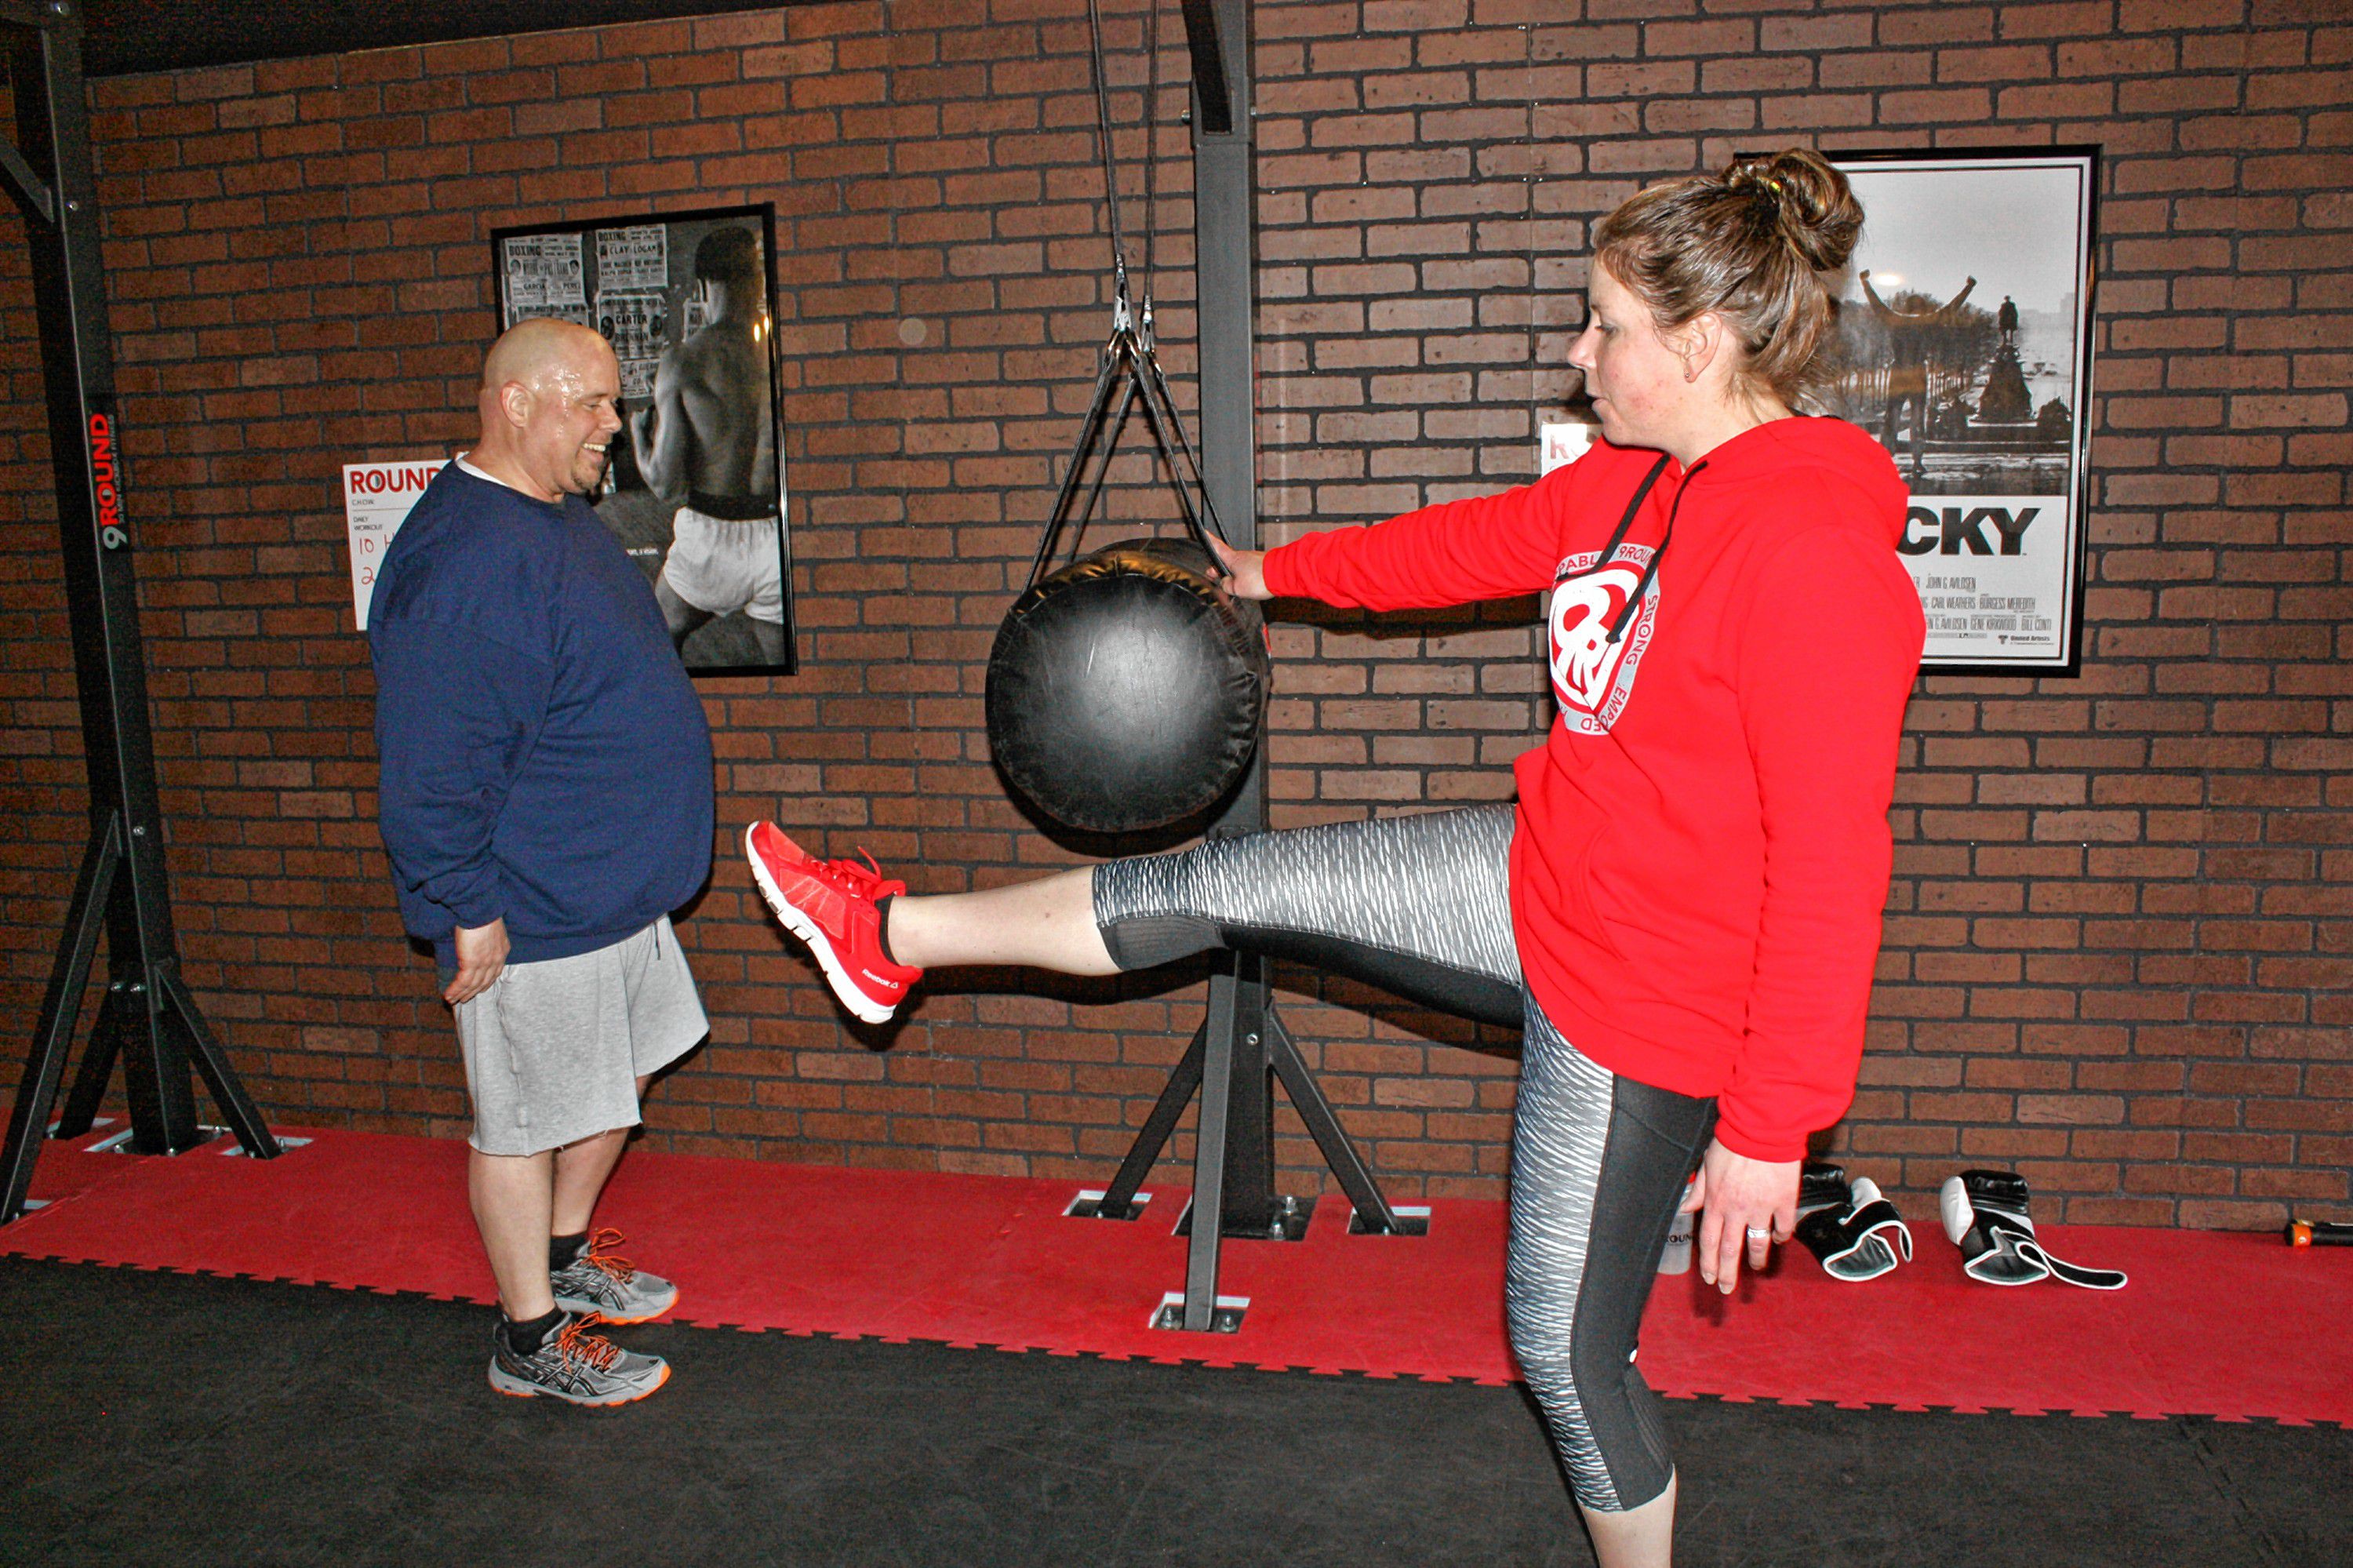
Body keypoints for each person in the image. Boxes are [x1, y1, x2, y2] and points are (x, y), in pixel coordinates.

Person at [747, 147, 1924, 1566]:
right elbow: (1462, 546)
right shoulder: (1632, 487)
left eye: (1606, 325)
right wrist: (1272, 571)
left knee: (1564, 1351)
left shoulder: (1808, 546)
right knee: (1220, 885)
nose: (1579, 350)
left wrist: (1769, 1126)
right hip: (1533, 874)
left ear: (1704, 342)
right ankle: (891, 939)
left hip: (1647, 1000)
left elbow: (1830, 862)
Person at [370, 318, 716, 1406]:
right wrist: (466, 904)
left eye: (616, 401)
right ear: (516, 401)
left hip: (615, 891)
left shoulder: (554, 518)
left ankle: (568, 1253)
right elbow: (429, 763)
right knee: (520, 1121)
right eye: (593, 401)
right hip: (534, 905)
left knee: (627, 1074)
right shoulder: (466, 557)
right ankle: (528, 1334)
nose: (615, 424)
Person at [631, 225, 786, 664]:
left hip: (712, 539)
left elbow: (664, 485)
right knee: (790, 678)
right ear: (756, 282)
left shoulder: (685, 360)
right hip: (779, 535)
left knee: (655, 649)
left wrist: (639, 437)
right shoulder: (780, 353)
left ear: (701, 286)